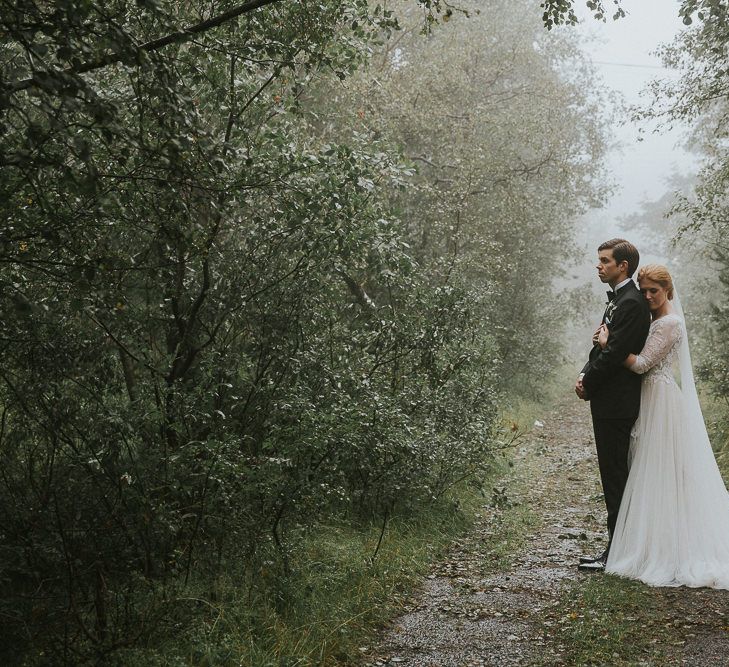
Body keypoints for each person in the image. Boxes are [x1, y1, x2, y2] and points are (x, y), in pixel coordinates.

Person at [597, 264, 729, 588]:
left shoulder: (670, 323)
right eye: (644, 291)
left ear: (668, 289)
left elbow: (642, 364)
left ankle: (667, 549)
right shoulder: (655, 320)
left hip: (661, 399)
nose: (648, 297)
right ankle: (648, 541)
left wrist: (607, 345)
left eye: (653, 291)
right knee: (648, 470)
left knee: (662, 470)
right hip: (649, 398)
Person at [575, 239, 651, 572]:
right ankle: (618, 547)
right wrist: (584, 371)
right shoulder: (620, 300)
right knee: (613, 476)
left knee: (616, 477)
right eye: (599, 261)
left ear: (623, 265)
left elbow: (615, 352)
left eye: (605, 261)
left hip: (617, 404)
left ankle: (617, 553)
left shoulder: (632, 302)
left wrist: (588, 382)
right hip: (610, 402)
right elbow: (602, 349)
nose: (599, 266)